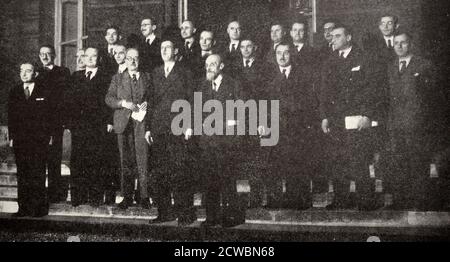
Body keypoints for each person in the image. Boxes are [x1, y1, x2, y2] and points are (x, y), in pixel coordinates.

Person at [319, 24, 384, 211]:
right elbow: (325, 92)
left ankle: (365, 201)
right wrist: (324, 116)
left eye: (338, 36)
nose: (334, 39)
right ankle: (341, 199)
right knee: (338, 161)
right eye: (332, 36)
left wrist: (368, 115)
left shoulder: (364, 58)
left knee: (359, 160)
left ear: (349, 37)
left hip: (358, 118)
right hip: (337, 119)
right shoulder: (330, 61)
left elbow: (374, 90)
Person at [382, 32, 439, 211]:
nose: (399, 46)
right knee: (398, 163)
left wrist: (425, 120)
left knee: (418, 163)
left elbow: (433, 98)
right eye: (396, 43)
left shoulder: (424, 65)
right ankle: (400, 201)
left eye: (403, 43)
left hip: (417, 125)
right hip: (396, 125)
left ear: (411, 44)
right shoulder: (390, 67)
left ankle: (420, 201)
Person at [146, 39, 196, 225]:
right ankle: (165, 212)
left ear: (176, 51)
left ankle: (186, 214)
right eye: (162, 48)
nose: (164, 50)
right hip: (159, 129)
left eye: (168, 47)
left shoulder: (185, 73)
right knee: (160, 173)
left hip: (178, 127)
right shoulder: (156, 72)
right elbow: (150, 101)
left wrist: (190, 125)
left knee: (180, 172)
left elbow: (191, 100)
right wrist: (149, 128)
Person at [262, 42, 316, 209]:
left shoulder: (303, 75)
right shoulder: (268, 76)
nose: (282, 56)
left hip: (296, 127)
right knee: (273, 165)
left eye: (286, 53)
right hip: (273, 126)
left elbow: (309, 102)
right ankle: (274, 200)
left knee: (297, 163)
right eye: (279, 53)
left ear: (292, 54)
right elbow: (262, 102)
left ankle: (299, 200)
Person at [199, 54, 245, 228]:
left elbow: (241, 110)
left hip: (227, 141)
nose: (209, 67)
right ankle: (212, 217)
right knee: (210, 181)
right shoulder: (203, 86)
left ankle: (231, 216)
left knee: (227, 180)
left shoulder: (233, 84)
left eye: (213, 64)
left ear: (222, 66)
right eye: (207, 64)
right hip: (208, 141)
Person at [105, 48, 152, 210]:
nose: (132, 61)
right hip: (123, 125)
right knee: (125, 162)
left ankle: (144, 196)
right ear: (124, 60)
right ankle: (127, 196)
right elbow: (109, 99)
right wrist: (124, 103)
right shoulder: (117, 78)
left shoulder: (147, 77)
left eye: (136, 58)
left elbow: (153, 96)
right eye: (129, 58)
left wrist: (148, 104)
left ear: (140, 60)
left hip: (141, 124)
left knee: (143, 160)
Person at [67, 47, 112, 207]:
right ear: (83, 59)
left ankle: (95, 197)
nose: (91, 59)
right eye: (88, 56)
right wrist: (71, 123)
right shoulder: (76, 76)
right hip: (79, 127)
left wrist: (108, 121)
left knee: (96, 161)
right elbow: (70, 101)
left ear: (99, 59)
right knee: (78, 161)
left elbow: (108, 102)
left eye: (94, 56)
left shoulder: (106, 77)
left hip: (97, 126)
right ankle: (77, 197)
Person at [8, 62, 53, 217]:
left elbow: (49, 116)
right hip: (21, 140)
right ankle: (23, 208)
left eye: (28, 71)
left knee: (38, 173)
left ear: (35, 74)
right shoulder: (14, 92)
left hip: (39, 140)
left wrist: (48, 136)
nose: (24, 74)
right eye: (22, 71)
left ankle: (38, 208)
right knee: (23, 174)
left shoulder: (44, 91)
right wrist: (12, 136)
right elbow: (11, 117)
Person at [36, 44, 71, 204]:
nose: (45, 57)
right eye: (42, 54)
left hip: (55, 122)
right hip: (38, 124)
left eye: (48, 54)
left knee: (54, 159)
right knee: (39, 159)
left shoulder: (62, 72)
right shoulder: (35, 73)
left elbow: (65, 97)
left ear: (54, 55)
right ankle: (39, 194)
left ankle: (55, 194)